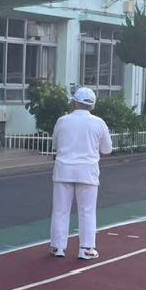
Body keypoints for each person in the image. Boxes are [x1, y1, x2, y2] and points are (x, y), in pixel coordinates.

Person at [49, 87, 113, 260]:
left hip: (63, 170)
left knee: (60, 210)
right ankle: (86, 249)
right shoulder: (99, 123)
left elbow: (55, 145)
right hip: (88, 171)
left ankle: (58, 247)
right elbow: (107, 150)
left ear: (75, 102)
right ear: (92, 105)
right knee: (87, 211)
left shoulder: (62, 121)